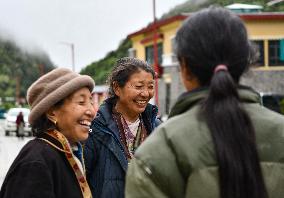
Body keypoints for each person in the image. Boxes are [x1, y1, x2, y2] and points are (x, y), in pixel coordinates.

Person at [125, 7, 284, 198]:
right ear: (244, 64)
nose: (145, 93)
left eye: (149, 86)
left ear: (184, 67)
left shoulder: (158, 152)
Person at [0, 68, 95, 198]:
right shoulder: (35, 163)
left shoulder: (66, 152)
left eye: (91, 101)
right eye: (81, 102)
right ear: (51, 112)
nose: (92, 111)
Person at [84, 57, 161, 198]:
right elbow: (81, 182)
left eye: (150, 86)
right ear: (117, 88)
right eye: (138, 86)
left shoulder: (157, 128)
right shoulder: (95, 130)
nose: (145, 93)